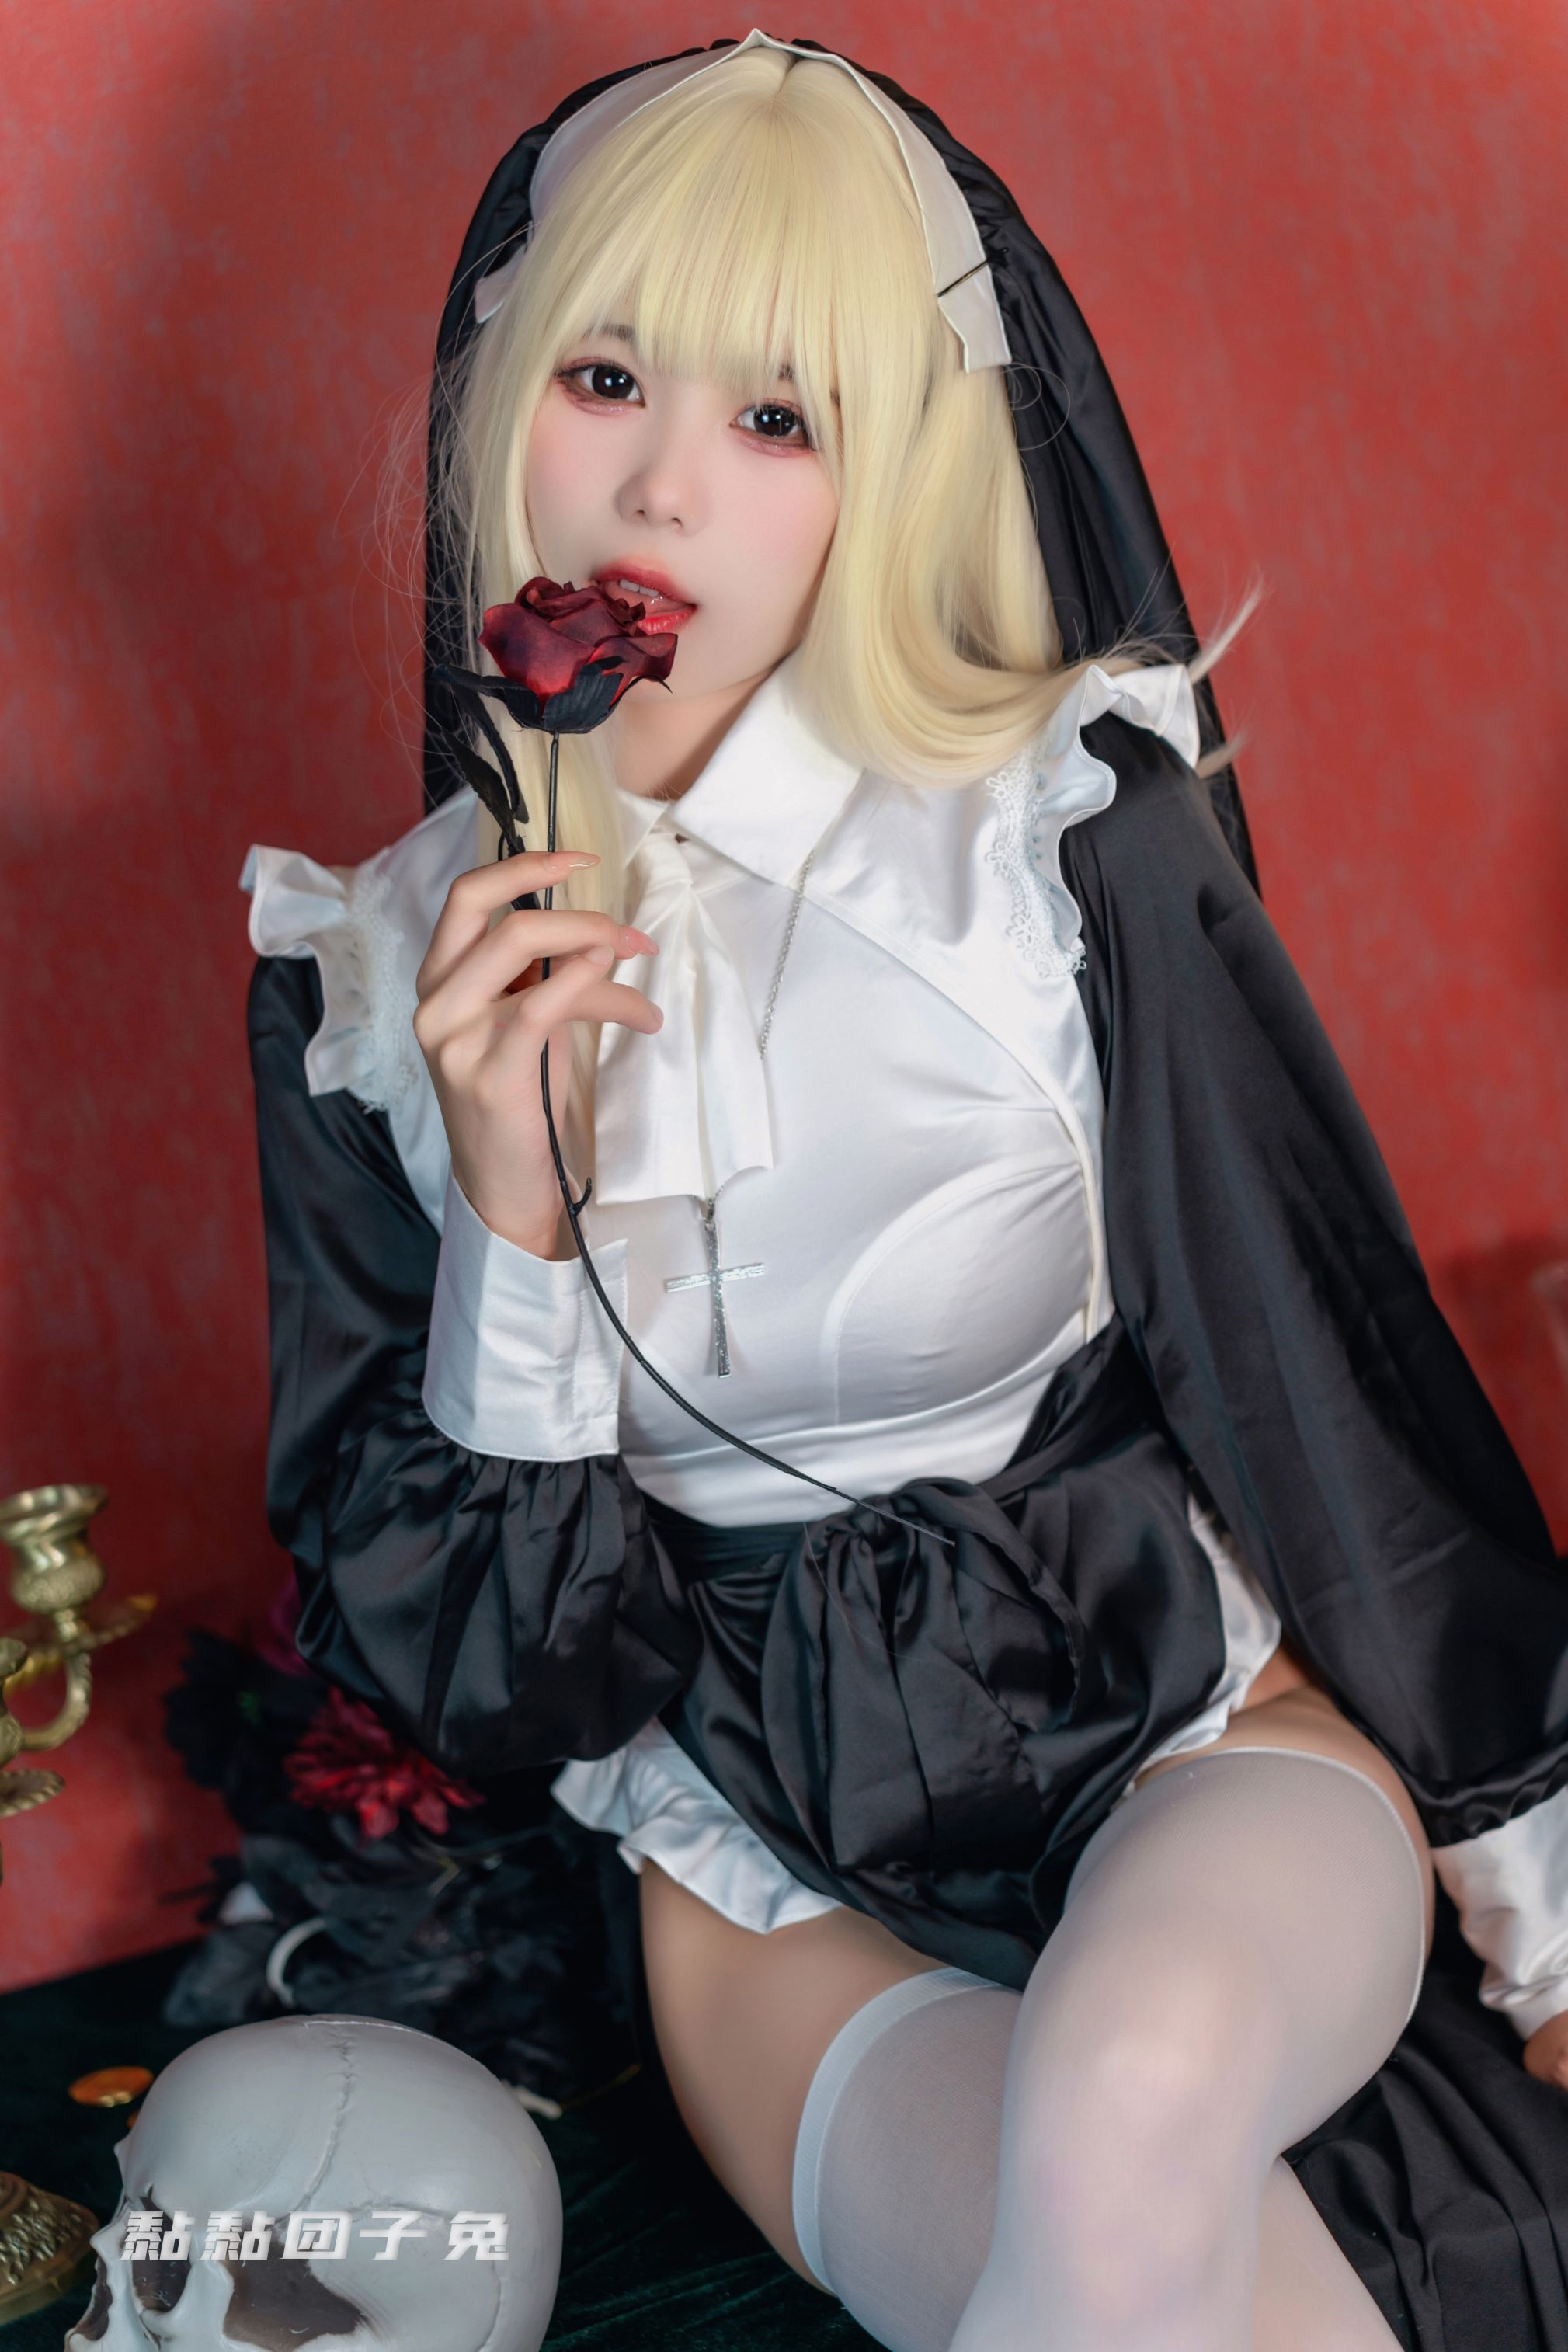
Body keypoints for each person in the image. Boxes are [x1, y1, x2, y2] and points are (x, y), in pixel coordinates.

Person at [242, 33, 1568, 2350]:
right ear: (500, 401)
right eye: (605, 379)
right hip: (771, 1887)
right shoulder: (368, 976)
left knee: (1122, 2112)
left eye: (779, 417)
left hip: (1193, 1740)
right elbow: (502, 1688)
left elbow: (1323, 1375)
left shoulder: (1057, 843)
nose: (659, 490)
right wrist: (514, 1221)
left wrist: (1545, 1913)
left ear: (894, 467)